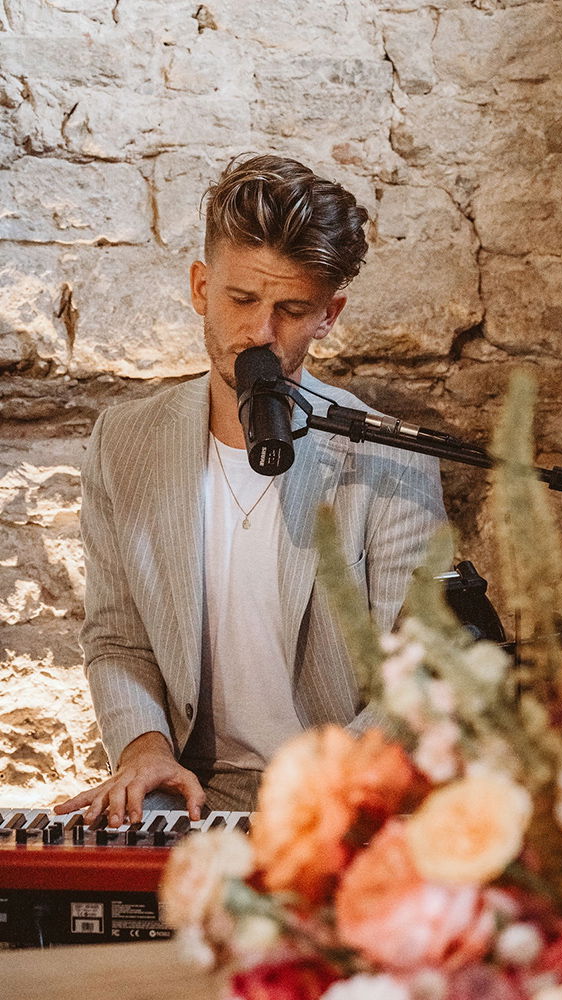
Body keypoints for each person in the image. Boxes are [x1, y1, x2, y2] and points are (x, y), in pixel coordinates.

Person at [56, 154, 447, 827]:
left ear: (329, 314)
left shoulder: (391, 455)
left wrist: (319, 790)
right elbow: (118, 636)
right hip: (193, 788)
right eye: (241, 299)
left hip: (344, 793)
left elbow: (425, 668)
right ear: (200, 285)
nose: (259, 333)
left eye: (291, 309)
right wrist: (143, 749)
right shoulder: (124, 441)